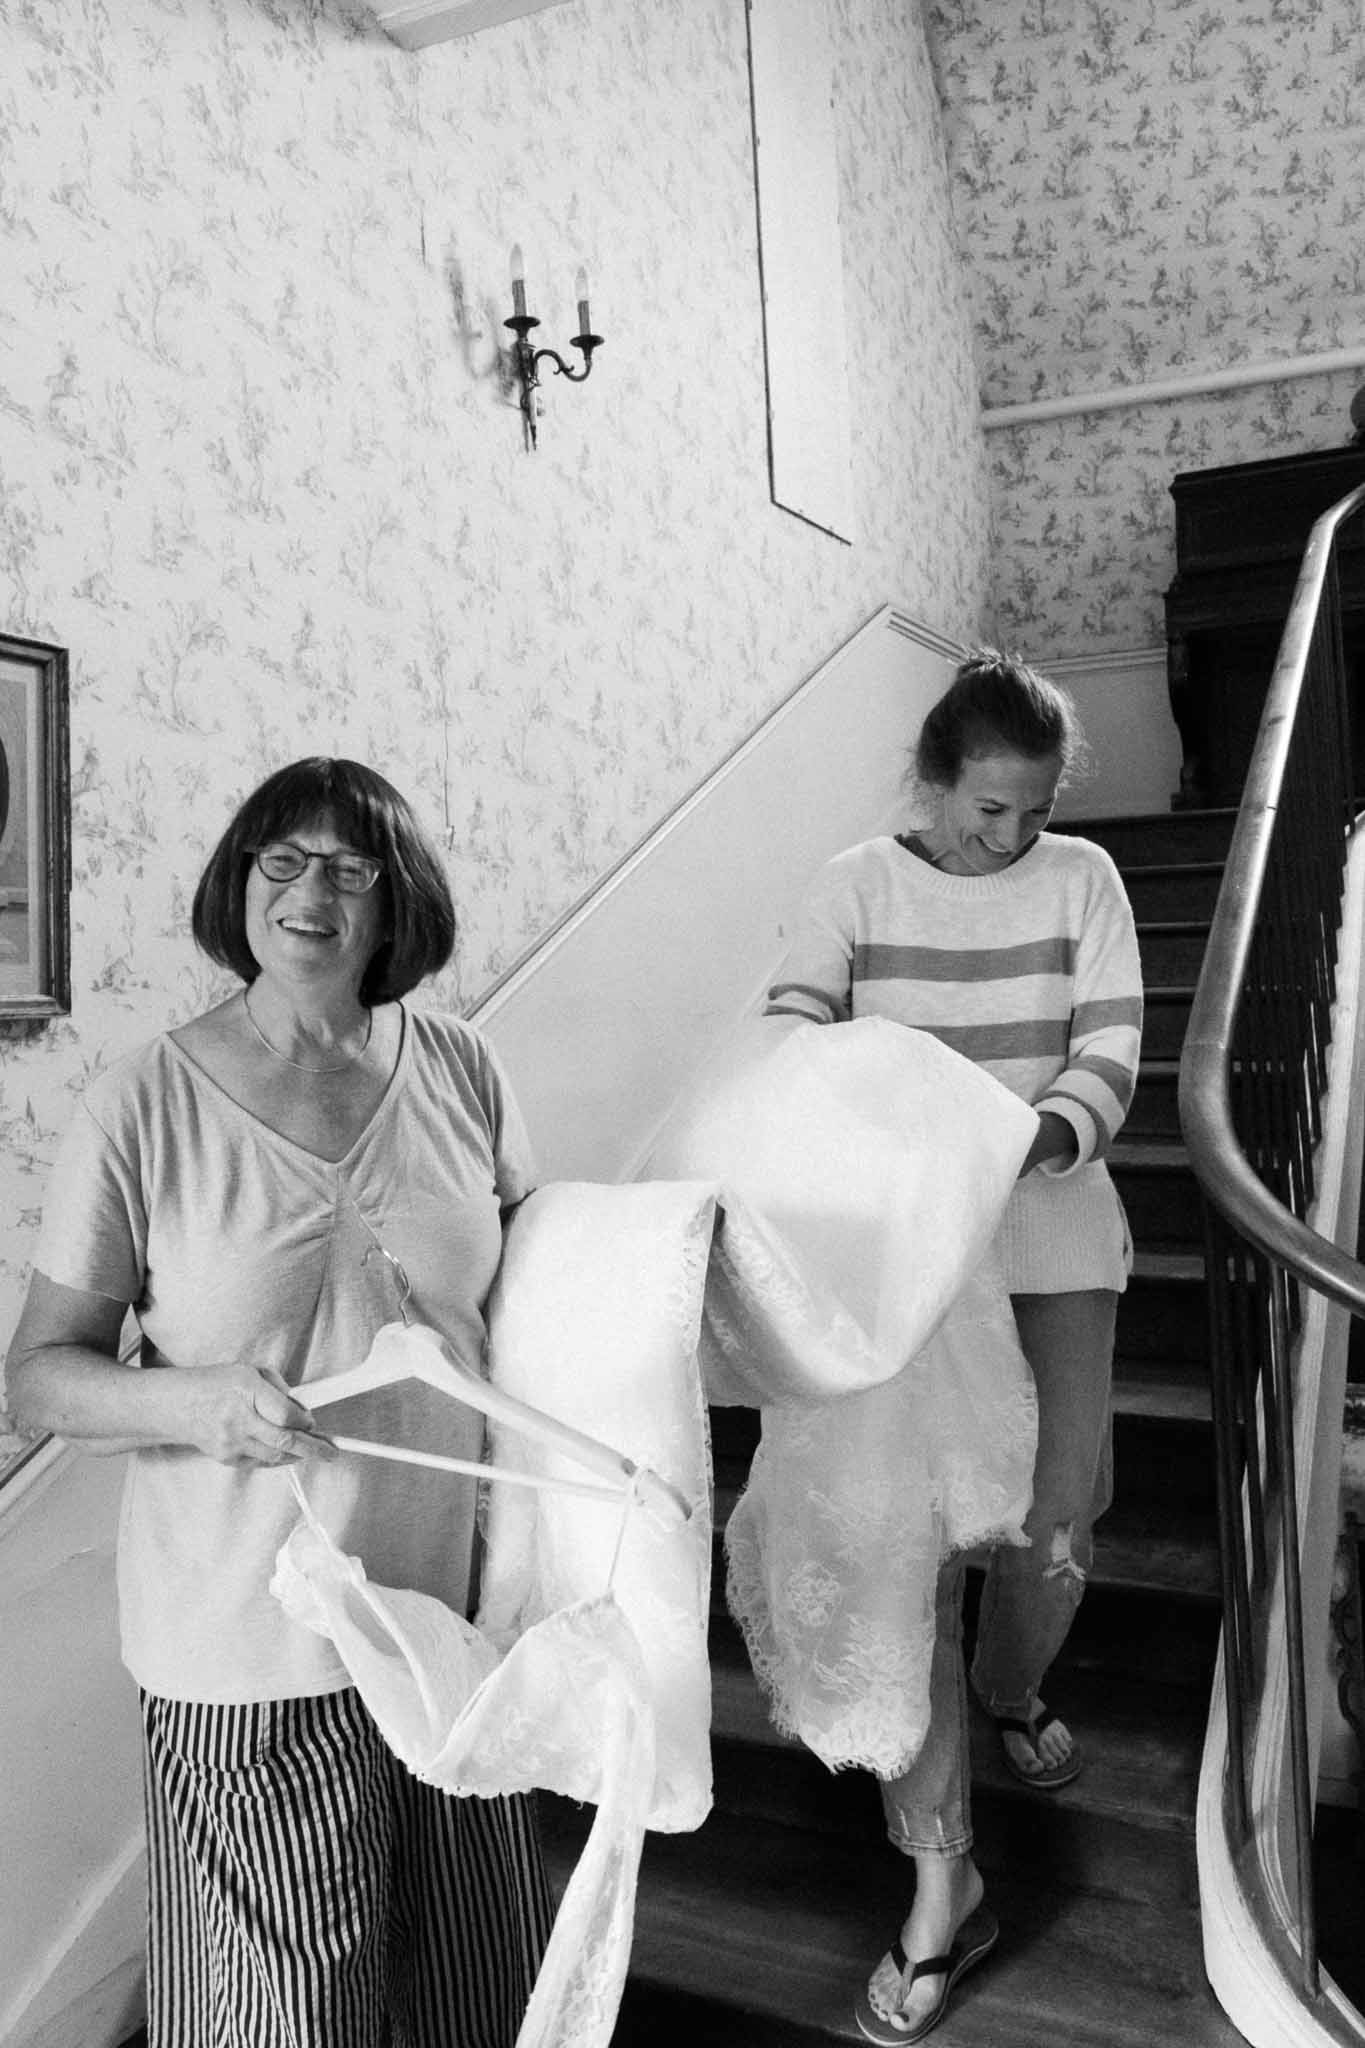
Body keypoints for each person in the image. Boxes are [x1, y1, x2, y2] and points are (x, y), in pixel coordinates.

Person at [5, 758, 553, 2048]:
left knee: (476, 1991)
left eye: (352, 868)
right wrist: (193, 1403)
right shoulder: (142, 1103)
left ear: (396, 901)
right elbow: (36, 1376)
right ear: (240, 883)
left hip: (448, 1631)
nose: (312, 891)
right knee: (287, 2020)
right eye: (281, 861)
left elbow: (543, 1288)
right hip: (250, 1656)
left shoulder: (463, 1071)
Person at [764, 650, 1142, 2043]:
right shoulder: (853, 882)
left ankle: (1011, 1683)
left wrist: (1016, 1140)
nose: (1014, 836)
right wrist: (881, 1138)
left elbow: (1107, 1037)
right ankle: (939, 1882)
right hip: (901, 1268)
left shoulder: (1083, 883)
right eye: (991, 810)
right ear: (935, 783)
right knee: (900, 1549)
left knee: (1056, 1512)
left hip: (1045, 1243)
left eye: (1035, 810)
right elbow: (791, 1035)